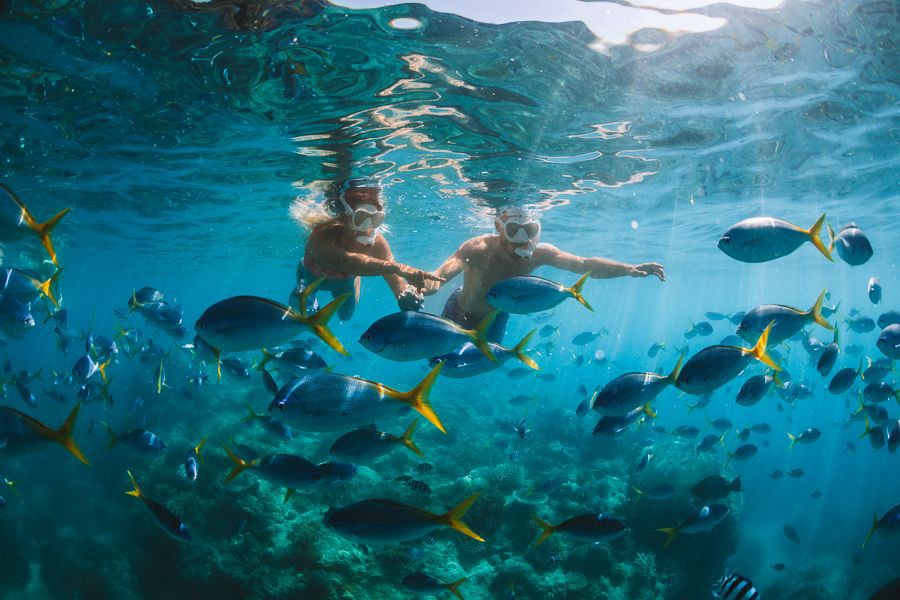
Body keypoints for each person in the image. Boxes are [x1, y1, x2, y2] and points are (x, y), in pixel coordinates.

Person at [424, 207, 665, 343]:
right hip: (460, 312)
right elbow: (441, 274)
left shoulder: (541, 253)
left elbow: (584, 264)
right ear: (499, 228)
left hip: (497, 317)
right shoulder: (478, 248)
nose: (522, 238)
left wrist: (628, 269)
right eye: (513, 230)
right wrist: (423, 287)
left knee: (488, 363)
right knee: (440, 359)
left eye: (528, 230)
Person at [292, 179, 442, 320]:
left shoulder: (377, 243)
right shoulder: (322, 234)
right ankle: (357, 275)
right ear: (344, 215)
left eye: (376, 219)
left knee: (346, 316)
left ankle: (357, 277)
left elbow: (396, 282)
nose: (369, 226)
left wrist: (406, 294)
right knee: (300, 307)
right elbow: (345, 262)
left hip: (344, 282)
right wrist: (399, 268)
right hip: (310, 275)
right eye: (361, 217)